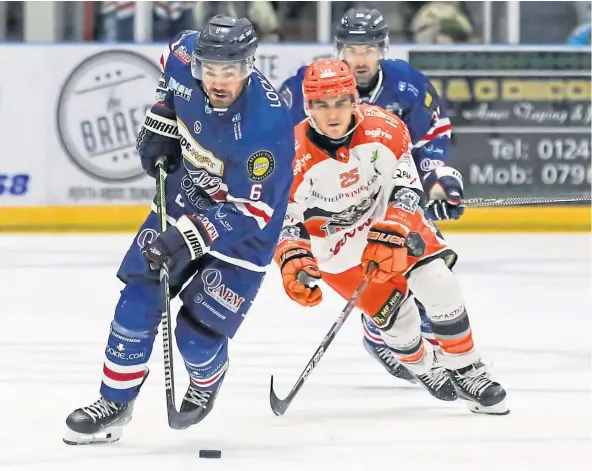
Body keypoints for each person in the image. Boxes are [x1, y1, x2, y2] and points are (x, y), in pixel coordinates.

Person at [64, 16, 295, 445]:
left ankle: (208, 378)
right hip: (184, 196)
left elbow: (254, 210)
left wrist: (187, 236)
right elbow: (169, 84)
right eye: (210, 70)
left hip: (244, 236)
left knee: (196, 338)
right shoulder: (183, 53)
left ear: (248, 65)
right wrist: (161, 125)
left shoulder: (268, 125)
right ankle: (114, 403)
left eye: (229, 71)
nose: (218, 80)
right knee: (137, 301)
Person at [275, 58, 509, 414]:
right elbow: (283, 222)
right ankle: (425, 366)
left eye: (341, 102)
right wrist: (294, 257)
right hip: (338, 252)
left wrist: (395, 228)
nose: (333, 114)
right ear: (308, 108)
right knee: (400, 328)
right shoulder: (289, 155)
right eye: (321, 105)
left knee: (438, 281)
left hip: (388, 221)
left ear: (355, 100)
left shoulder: (386, 126)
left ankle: (467, 367)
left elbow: (406, 187)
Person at [279, 7, 462, 384]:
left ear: (384, 49)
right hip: (333, 203)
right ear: (338, 50)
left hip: (385, 195)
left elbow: (430, 137)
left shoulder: (407, 83)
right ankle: (382, 331)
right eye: (351, 49)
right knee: (372, 280)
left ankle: (424, 345)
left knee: (425, 271)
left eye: (368, 49)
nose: (360, 58)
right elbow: (280, 149)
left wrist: (437, 181)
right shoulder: (306, 86)